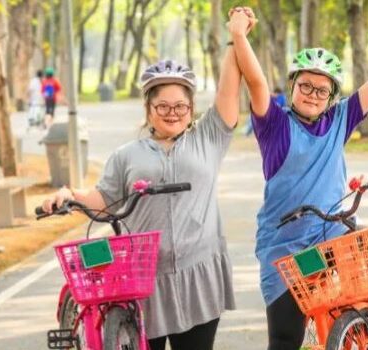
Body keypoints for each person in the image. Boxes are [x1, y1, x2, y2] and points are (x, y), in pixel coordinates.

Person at [40, 15, 247, 348]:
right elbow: (103, 196)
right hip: (141, 282)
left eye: (181, 105)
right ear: (148, 109)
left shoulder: (208, 138)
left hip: (197, 275)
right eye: (162, 105)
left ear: (192, 108)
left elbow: (228, 89)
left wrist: (234, 38)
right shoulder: (127, 154)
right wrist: (67, 194)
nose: (172, 112)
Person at [228, 7, 368, 349]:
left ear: (331, 97)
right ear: (293, 86)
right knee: (285, 339)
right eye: (306, 85)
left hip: (332, 237)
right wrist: (240, 35)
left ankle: (365, 328)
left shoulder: (339, 120)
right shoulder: (274, 125)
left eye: (322, 90)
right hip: (286, 249)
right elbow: (256, 81)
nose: (312, 94)